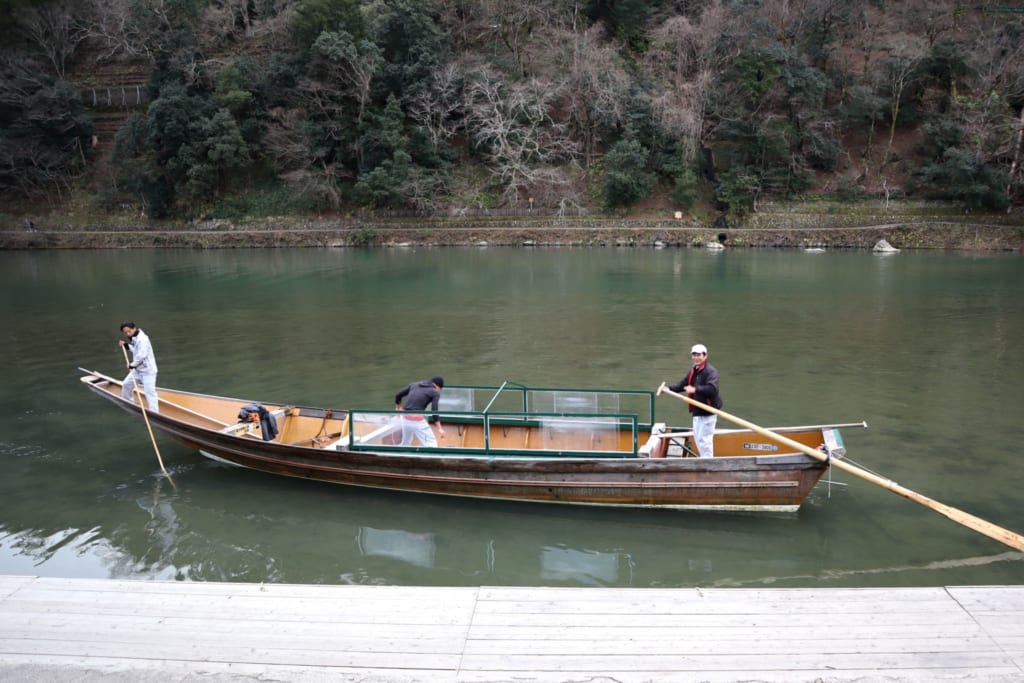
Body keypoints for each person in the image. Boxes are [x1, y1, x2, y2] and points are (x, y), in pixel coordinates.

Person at [668, 344, 722, 457]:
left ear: (705, 356)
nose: (696, 357)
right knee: (698, 439)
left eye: (698, 355)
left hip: (708, 412)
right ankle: (705, 461)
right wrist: (669, 389)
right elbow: (684, 384)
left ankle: (708, 463)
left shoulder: (710, 371)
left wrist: (695, 389)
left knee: (705, 441)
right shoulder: (694, 369)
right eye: (694, 355)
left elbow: (712, 389)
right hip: (697, 411)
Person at [119, 320, 159, 413]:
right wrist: (126, 346)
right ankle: (129, 402)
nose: (128, 334)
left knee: (149, 393)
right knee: (126, 384)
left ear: (134, 328)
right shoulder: (134, 337)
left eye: (129, 331)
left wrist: (131, 365)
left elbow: (141, 355)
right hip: (138, 370)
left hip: (148, 371)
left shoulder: (142, 339)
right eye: (125, 333)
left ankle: (154, 413)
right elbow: (136, 350)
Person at [395, 376, 446, 446]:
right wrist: (439, 428)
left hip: (404, 417)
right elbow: (434, 411)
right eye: (439, 389)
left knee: (405, 443)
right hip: (417, 420)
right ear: (437, 386)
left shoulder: (414, 385)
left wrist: (397, 407)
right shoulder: (434, 392)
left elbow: (398, 395)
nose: (438, 391)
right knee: (431, 443)